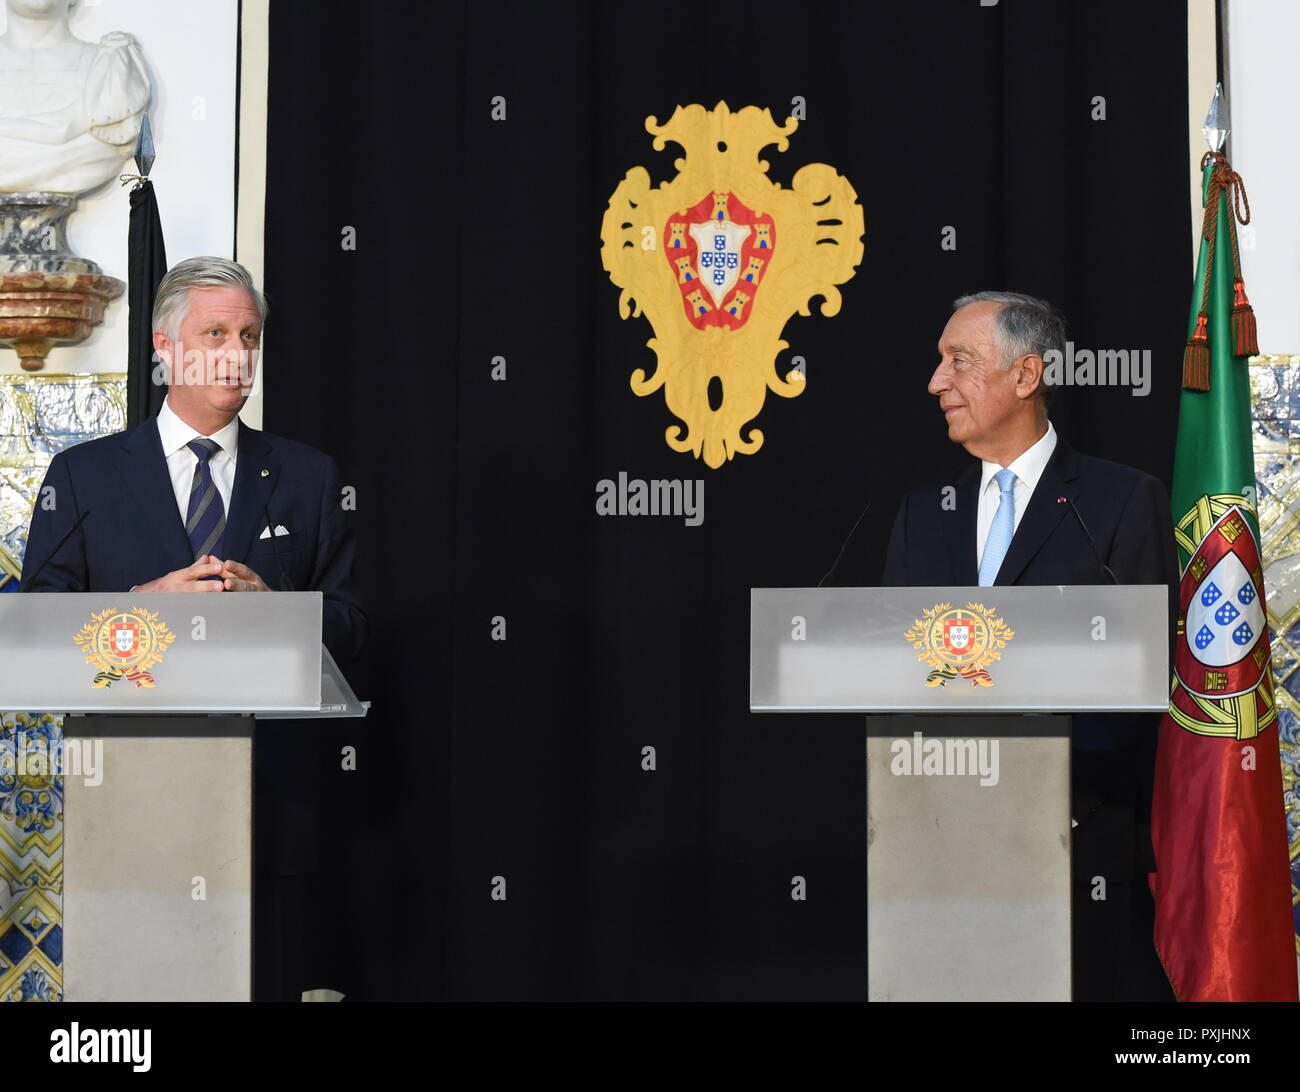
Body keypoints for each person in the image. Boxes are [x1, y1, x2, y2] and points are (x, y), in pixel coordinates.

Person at [20, 255, 367, 1000]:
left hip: (268, 815)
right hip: (131, 813)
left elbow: (351, 623)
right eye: (215, 333)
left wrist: (271, 611)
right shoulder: (83, 478)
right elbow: (36, 637)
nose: (238, 355)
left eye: (249, 336)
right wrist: (144, 609)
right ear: (164, 347)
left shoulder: (307, 476)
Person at [882, 290, 1177, 1001]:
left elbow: (1142, 673)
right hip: (939, 857)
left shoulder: (1118, 500)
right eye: (938, 362)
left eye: (959, 361)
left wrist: (1024, 780)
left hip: (1075, 849)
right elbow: (891, 670)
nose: (936, 382)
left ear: (1025, 375)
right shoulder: (924, 514)